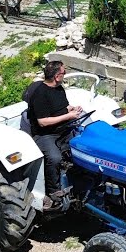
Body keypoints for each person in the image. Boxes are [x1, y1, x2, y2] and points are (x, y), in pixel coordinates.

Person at [25, 61, 85, 208]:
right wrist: (68, 116)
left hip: (64, 129)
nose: (65, 75)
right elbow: (42, 122)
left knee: (82, 146)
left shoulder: (59, 89)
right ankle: (53, 191)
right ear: (57, 76)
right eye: (64, 73)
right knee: (55, 158)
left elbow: (63, 106)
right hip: (45, 135)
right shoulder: (40, 94)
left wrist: (72, 109)